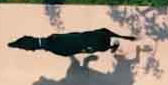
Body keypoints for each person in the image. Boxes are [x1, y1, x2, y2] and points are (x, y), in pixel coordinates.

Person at [7, 29, 137, 57]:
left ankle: (113, 46)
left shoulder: (54, 49)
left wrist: (84, 51)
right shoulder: (53, 37)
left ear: (34, 49)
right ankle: (125, 38)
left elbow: (70, 52)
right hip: (88, 36)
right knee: (103, 32)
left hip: (89, 44)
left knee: (98, 47)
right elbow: (71, 35)